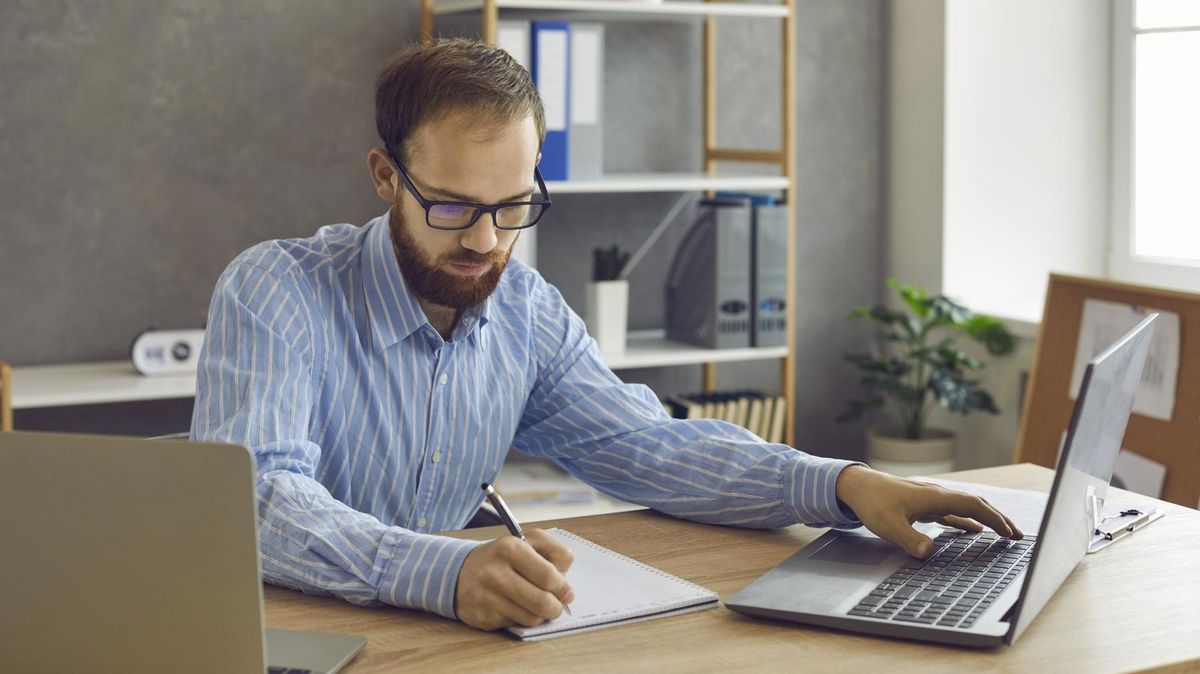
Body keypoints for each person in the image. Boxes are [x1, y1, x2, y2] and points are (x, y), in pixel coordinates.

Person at [191, 38, 1022, 632]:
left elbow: (648, 445)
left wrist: (841, 484)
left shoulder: (525, 308)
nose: (485, 241)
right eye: (451, 206)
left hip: (452, 637)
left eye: (512, 206)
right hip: (286, 637)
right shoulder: (276, 290)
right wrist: (440, 570)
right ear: (385, 176)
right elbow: (254, 502)